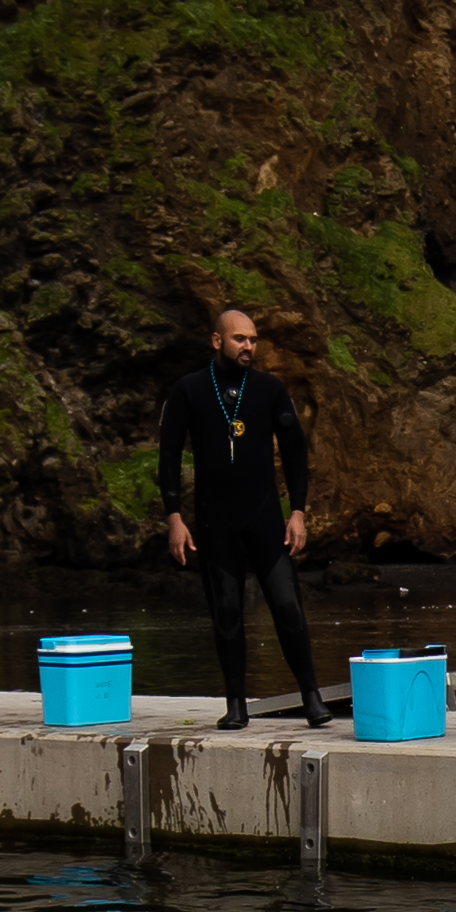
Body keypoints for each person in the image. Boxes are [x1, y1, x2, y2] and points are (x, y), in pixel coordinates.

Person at [156, 306, 327, 731]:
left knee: (288, 607)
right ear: (218, 341)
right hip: (216, 521)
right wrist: (174, 518)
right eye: (239, 339)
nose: (248, 345)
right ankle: (236, 703)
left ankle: (311, 696)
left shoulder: (269, 388)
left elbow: (295, 454)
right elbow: (169, 454)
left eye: (252, 339)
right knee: (227, 613)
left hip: (265, 516)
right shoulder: (190, 389)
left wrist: (298, 512)